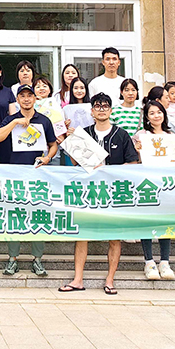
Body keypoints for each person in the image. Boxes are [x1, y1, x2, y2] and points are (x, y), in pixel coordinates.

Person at [60, 93, 139, 295]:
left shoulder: (122, 134)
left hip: (113, 193)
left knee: (114, 237)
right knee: (82, 235)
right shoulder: (83, 133)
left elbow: (132, 163)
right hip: (88, 192)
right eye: (97, 106)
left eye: (105, 106)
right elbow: (75, 162)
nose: (101, 109)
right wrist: (69, 141)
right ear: (92, 111)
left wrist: (110, 171)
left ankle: (110, 280)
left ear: (111, 110)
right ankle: (78, 279)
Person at [0, 84, 57, 276]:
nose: (27, 99)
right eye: (23, 96)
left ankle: (37, 259)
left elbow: (53, 144)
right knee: (15, 217)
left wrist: (48, 158)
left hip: (38, 176)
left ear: (35, 98)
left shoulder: (44, 120)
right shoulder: (10, 119)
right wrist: (15, 122)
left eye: (30, 95)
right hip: (14, 176)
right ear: (17, 99)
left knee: (38, 216)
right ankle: (12, 259)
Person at [132, 100, 175, 280]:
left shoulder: (171, 136)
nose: (156, 116)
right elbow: (133, 160)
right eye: (152, 113)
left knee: (165, 222)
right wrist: (136, 150)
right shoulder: (140, 135)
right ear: (146, 117)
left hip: (166, 184)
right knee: (147, 222)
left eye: (159, 112)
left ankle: (165, 261)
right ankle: (149, 261)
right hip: (147, 184)